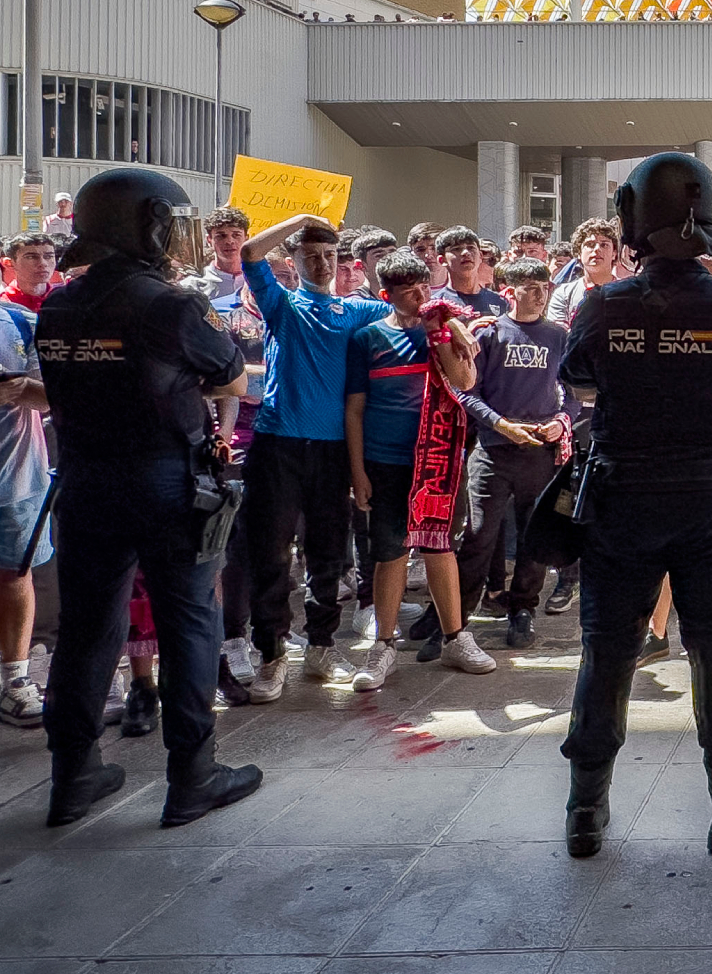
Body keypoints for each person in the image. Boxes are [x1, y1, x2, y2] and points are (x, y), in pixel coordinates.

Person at [558, 152, 712, 859]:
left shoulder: (602, 305)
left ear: (634, 221)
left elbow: (581, 384)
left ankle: (585, 810)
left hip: (622, 500)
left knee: (608, 648)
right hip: (711, 501)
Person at [35, 168, 260, 827]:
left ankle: (72, 777)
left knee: (86, 631)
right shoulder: (170, 304)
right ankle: (193, 777)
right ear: (149, 225)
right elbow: (230, 377)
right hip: (165, 482)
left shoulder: (58, 305)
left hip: (85, 483)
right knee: (189, 623)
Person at [237, 213, 390, 702]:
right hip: (277, 443)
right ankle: (272, 653)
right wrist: (302, 217)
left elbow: (412, 310)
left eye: (329, 255)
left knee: (327, 553)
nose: (322, 264)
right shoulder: (281, 303)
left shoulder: (358, 311)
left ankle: (321, 645)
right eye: (312, 256)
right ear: (294, 261)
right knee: (271, 554)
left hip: (332, 450)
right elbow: (249, 253)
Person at [344, 249, 491, 689]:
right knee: (390, 552)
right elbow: (355, 409)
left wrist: (441, 332)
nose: (420, 297)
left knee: (439, 547)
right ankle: (384, 644)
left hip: (438, 460)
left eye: (424, 286)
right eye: (408, 291)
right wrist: (358, 472)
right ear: (386, 295)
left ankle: (456, 637)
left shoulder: (445, 329)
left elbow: (464, 381)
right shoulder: (367, 339)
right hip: (384, 461)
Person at [456, 257, 571, 652]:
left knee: (534, 537)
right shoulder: (489, 334)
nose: (540, 296)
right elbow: (466, 392)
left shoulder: (558, 336)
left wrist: (562, 421)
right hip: (493, 451)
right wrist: (500, 424)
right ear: (510, 292)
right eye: (531, 288)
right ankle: (455, 618)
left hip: (539, 452)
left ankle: (523, 609)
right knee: (478, 535)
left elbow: (574, 393)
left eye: (545, 288)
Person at [0, 294, 49, 728]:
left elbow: (53, 397)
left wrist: (22, 390)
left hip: (17, 479)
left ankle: (15, 679)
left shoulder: (21, 322)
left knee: (16, 575)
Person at [549, 217, 619, 327]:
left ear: (614, 253)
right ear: (578, 253)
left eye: (604, 245)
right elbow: (559, 334)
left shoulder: (630, 293)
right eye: (590, 244)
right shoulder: (563, 294)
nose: (597, 249)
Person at [436, 226, 510, 318]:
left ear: (480, 256)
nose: (465, 253)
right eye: (456, 249)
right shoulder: (437, 305)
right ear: (442, 260)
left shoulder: (500, 301)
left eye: (471, 248)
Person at [1, 233, 59, 312]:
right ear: (9, 263)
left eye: (49, 256)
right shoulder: (3, 303)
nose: (43, 263)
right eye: (31, 257)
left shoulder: (67, 300)